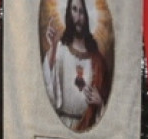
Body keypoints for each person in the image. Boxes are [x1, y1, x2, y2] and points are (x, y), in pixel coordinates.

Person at [42, 0, 110, 132]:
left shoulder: (98, 60)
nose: (78, 17)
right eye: (74, 9)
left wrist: (100, 103)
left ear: (87, 16)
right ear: (68, 13)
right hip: (61, 129)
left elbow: (110, 109)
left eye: (82, 11)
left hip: (88, 129)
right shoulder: (59, 50)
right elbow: (47, 87)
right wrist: (53, 48)